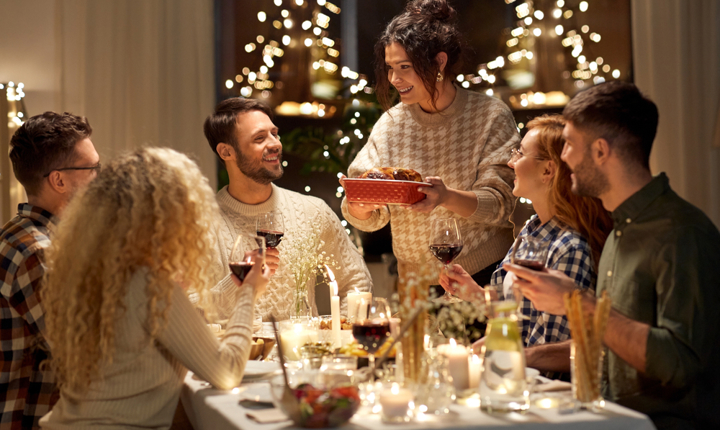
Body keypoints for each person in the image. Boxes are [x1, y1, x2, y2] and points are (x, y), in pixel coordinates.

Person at [505, 81, 720, 429]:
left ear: (601, 151)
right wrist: (523, 355)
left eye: (571, 144)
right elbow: (614, 343)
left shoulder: (682, 234)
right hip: (609, 415)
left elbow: (679, 364)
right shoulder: (620, 229)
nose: (563, 157)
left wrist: (580, 303)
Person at [39, 148, 269, 429]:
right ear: (165, 217)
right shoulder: (149, 284)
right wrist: (248, 292)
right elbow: (226, 371)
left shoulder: (96, 276)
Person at [341, 0, 519, 288]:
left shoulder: (490, 116)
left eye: (405, 67)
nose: (394, 79)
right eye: (390, 68)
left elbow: (503, 205)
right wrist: (361, 205)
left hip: (482, 278)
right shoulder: (391, 124)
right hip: (415, 285)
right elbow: (364, 211)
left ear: (439, 62)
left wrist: (446, 197)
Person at [439, 115, 612, 377]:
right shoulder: (531, 229)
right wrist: (473, 293)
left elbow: (551, 351)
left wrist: (502, 355)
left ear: (547, 170)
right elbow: (516, 313)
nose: (511, 162)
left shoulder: (569, 247)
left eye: (519, 154)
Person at [203, 98, 372, 321]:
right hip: (238, 356)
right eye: (260, 138)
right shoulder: (199, 223)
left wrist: (337, 336)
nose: (275, 144)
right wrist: (236, 281)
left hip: (303, 356)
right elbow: (183, 309)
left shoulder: (312, 211)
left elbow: (357, 280)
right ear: (226, 152)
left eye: (274, 133)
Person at [1, 112, 100, 430]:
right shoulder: (40, 253)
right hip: (35, 420)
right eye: (92, 169)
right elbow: (91, 354)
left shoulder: (20, 233)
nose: (101, 179)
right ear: (58, 180)